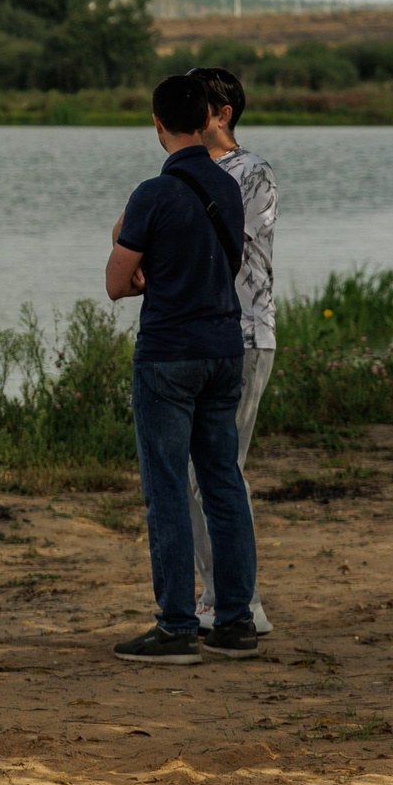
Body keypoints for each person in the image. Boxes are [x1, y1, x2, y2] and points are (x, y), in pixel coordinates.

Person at [104, 76, 258, 665]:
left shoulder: (153, 193)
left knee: (166, 488)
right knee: (223, 483)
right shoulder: (229, 185)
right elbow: (228, 261)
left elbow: (118, 282)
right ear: (206, 121)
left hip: (169, 353)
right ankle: (237, 621)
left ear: (157, 123)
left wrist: (146, 276)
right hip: (225, 348)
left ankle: (176, 626)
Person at [187, 65, 278, 635]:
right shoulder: (189, 170)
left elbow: (221, 248)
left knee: (219, 475)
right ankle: (224, 597)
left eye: (196, 104)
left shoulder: (252, 172)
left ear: (222, 114)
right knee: (204, 475)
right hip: (199, 339)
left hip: (244, 336)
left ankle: (236, 602)